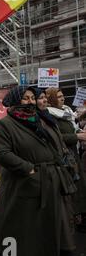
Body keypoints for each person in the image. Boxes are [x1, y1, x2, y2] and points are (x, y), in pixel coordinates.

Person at [0, 86, 78, 256]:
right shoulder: (4, 125)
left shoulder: (41, 119)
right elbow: (1, 153)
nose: (31, 102)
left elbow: (55, 143)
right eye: (25, 98)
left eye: (32, 98)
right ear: (16, 100)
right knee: (13, 225)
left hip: (49, 180)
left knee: (46, 225)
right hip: (24, 182)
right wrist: (28, 169)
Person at [46, 88, 86, 234]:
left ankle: (81, 218)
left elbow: (71, 130)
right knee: (72, 189)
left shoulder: (66, 112)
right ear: (51, 100)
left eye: (62, 96)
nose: (62, 99)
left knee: (81, 186)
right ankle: (74, 220)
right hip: (65, 157)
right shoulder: (50, 116)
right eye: (58, 97)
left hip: (74, 154)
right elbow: (57, 137)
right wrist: (78, 137)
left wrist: (78, 132)